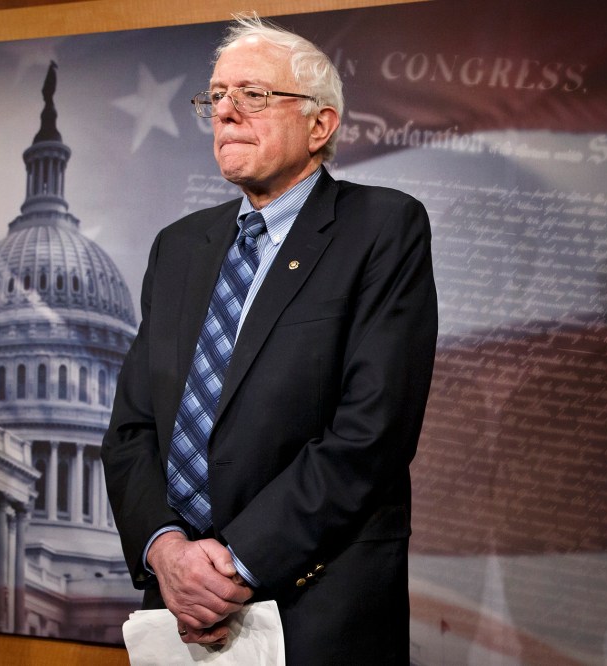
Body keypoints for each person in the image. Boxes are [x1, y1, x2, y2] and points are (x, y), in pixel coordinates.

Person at [101, 13, 437, 664]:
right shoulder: (178, 248)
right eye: (216, 96)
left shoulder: (382, 230)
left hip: (316, 609)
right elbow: (132, 431)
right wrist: (167, 552)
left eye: (253, 95)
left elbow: (370, 434)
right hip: (178, 613)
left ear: (320, 125)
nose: (225, 113)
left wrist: (232, 564)